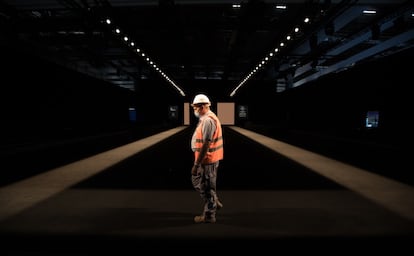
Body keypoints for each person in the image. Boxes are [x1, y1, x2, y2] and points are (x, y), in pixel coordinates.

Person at [190, 93, 224, 224]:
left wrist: (197, 164)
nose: (194, 110)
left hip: (207, 160)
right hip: (207, 160)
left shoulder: (208, 120)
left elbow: (206, 144)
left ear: (203, 106)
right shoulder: (206, 118)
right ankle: (213, 201)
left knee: (207, 187)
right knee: (202, 183)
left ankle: (209, 216)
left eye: (195, 107)